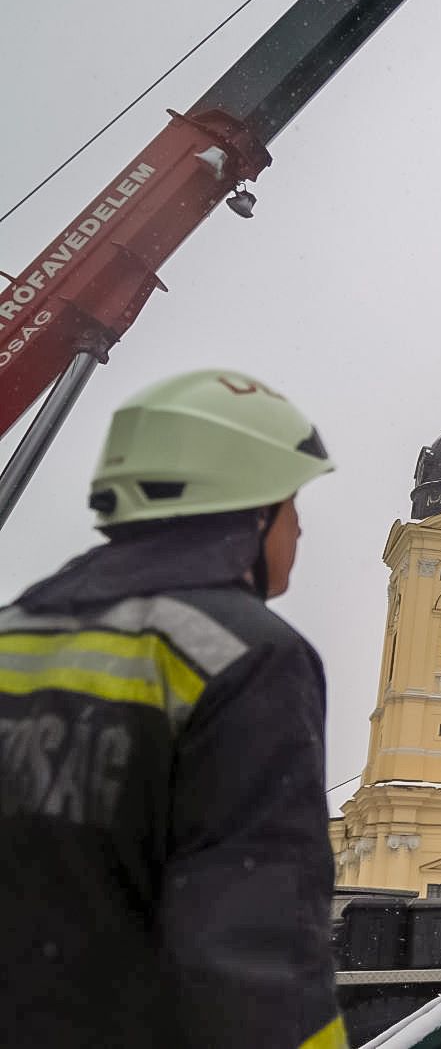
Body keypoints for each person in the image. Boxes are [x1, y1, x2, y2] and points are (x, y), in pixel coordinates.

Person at [0, 369, 344, 1048]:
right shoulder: (248, 656)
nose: (299, 526)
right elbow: (254, 964)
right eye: (290, 500)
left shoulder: (15, 630)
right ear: (247, 507)